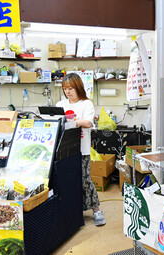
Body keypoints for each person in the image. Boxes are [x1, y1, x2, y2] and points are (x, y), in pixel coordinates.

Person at [56, 73, 106, 226]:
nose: (68, 92)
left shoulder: (86, 104)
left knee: (85, 180)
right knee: (67, 181)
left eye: (71, 88)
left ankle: (96, 210)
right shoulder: (60, 104)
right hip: (63, 149)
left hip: (82, 149)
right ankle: (72, 210)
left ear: (78, 88)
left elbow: (88, 123)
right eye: (65, 89)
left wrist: (72, 121)